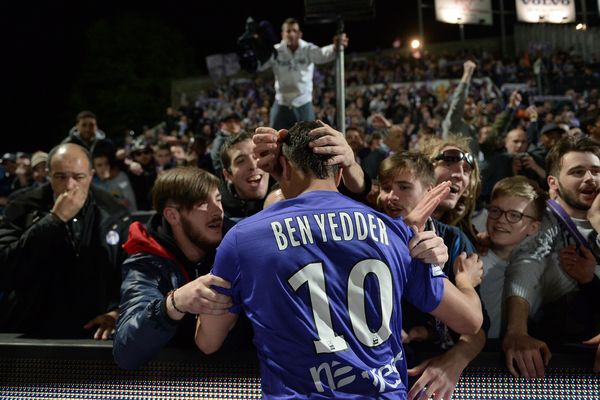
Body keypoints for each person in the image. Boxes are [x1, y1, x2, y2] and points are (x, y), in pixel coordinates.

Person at [195, 121, 483, 399]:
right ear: (339, 175)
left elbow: (207, 341)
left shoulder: (242, 238)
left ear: (282, 166)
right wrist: (465, 281)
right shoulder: (395, 232)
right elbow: (470, 321)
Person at [113, 167, 252, 369]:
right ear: (172, 215)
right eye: (202, 203)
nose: (218, 211)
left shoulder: (242, 240)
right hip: (177, 382)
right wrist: (174, 303)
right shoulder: (147, 264)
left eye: (218, 199)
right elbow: (126, 352)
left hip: (245, 377)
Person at [377, 151, 486, 400]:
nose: (391, 196)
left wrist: (457, 359)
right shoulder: (367, 233)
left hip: (430, 373)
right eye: (385, 187)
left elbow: (478, 327)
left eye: (403, 187)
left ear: (429, 190)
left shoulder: (454, 239)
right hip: (378, 372)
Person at [0, 143, 129, 339]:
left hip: (94, 332)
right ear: (49, 176)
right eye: (61, 177)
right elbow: (5, 267)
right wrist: (53, 221)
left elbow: (129, 270)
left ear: (91, 176)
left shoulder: (113, 211)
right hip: (31, 330)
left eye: (78, 177)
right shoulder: (21, 207)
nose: (70, 186)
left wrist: (117, 310)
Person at [503, 136, 600, 378]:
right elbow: (527, 263)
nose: (591, 179)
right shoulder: (545, 220)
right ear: (553, 183)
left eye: (596, 171)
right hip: (562, 358)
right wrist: (516, 331)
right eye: (578, 172)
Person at [479, 176, 545, 339]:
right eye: (495, 211)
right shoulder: (472, 262)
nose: (501, 220)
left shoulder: (542, 270)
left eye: (514, 215)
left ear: (533, 227)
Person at [258, 18, 348, 130]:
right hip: (282, 102)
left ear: (300, 34)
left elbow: (322, 54)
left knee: (307, 140)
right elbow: (259, 66)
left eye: (294, 31)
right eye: (288, 31)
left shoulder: (307, 49)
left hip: (303, 102)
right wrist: (255, 52)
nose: (291, 34)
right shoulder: (275, 51)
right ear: (282, 34)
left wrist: (335, 47)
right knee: (275, 139)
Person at [210, 112, 242, 178]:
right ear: (222, 124)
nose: (233, 124)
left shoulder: (241, 137)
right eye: (229, 121)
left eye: (236, 121)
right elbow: (217, 164)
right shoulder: (219, 141)